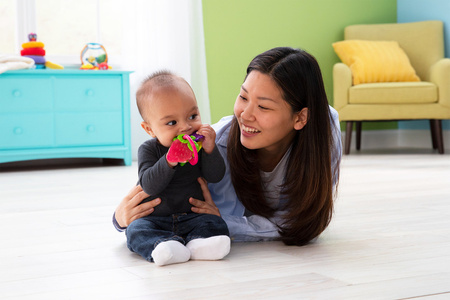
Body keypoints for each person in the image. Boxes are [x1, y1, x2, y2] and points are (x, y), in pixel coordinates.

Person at [114, 47, 342, 247]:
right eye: (243, 97)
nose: (245, 114)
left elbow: (300, 221)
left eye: (263, 106)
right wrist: (120, 218)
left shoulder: (324, 129)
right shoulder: (217, 144)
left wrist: (228, 222)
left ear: (301, 118)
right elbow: (166, 199)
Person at [123, 70, 230, 266]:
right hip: (155, 219)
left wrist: (210, 150)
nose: (185, 127)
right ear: (149, 129)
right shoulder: (148, 149)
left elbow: (215, 176)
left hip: (193, 217)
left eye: (192, 116)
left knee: (216, 222)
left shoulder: (199, 145)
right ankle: (163, 246)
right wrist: (170, 159)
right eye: (172, 122)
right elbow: (148, 185)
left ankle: (200, 245)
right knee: (135, 230)